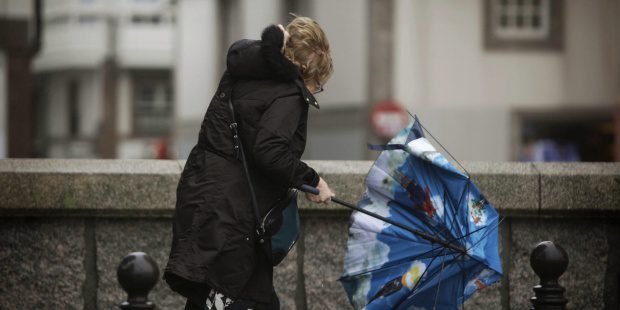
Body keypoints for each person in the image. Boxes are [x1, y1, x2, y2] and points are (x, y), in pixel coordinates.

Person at [164, 16, 335, 310]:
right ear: (307, 73)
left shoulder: (242, 75)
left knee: (217, 297)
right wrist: (313, 180)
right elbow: (269, 149)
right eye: (317, 85)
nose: (313, 91)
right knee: (235, 298)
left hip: (205, 196)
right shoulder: (288, 95)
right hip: (235, 215)